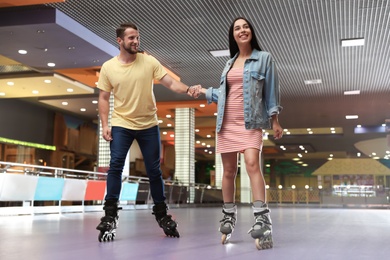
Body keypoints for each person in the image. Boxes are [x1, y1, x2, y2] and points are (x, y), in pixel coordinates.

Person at [96, 22, 201, 242]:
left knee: (154, 170)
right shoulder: (108, 67)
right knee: (115, 165)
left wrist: (189, 89)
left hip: (148, 124)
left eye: (137, 37)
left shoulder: (149, 61)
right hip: (121, 123)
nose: (136, 41)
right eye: (131, 38)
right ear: (120, 41)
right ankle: (109, 214)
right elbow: (104, 98)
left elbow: (171, 83)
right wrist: (105, 124)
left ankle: (162, 214)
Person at [200, 17, 283, 250]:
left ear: (251, 31)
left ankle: (262, 218)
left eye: (245, 26)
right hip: (226, 123)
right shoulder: (229, 64)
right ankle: (228, 215)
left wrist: (275, 120)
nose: (242, 30)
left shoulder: (264, 58)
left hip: (251, 123)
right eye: (237, 28)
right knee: (227, 171)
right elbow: (224, 95)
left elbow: (272, 91)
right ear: (233, 35)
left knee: (251, 164)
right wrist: (205, 91)